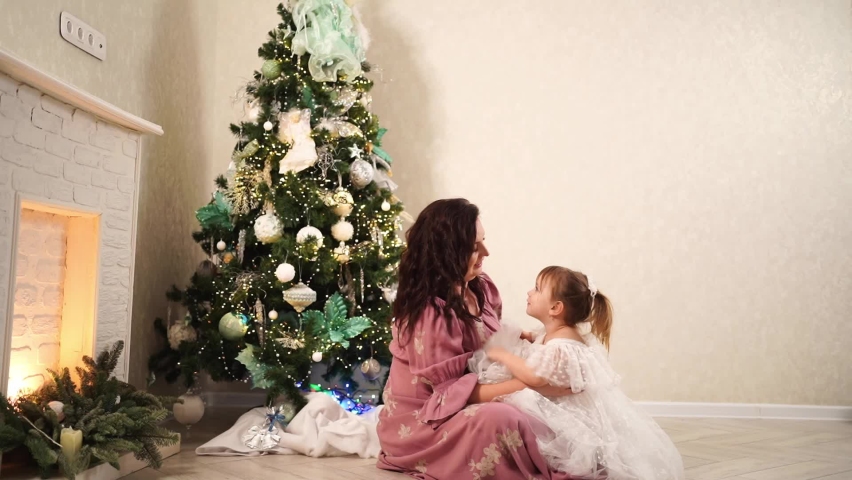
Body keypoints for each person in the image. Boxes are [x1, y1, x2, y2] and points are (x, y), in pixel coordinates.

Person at [376, 199, 582, 479]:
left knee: (554, 411)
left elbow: (491, 345)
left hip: (468, 400)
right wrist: (533, 384)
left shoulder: (479, 286)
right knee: (504, 417)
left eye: (483, 241)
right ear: (447, 252)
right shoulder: (430, 313)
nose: (486, 252)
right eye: (474, 247)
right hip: (427, 420)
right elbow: (449, 395)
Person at [481, 266, 684, 480]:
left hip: (570, 415)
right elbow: (539, 339)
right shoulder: (558, 333)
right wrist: (525, 335)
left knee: (525, 414)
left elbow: (533, 376)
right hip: (566, 404)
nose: (530, 292)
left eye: (537, 289)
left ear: (555, 308)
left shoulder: (562, 345)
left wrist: (503, 355)